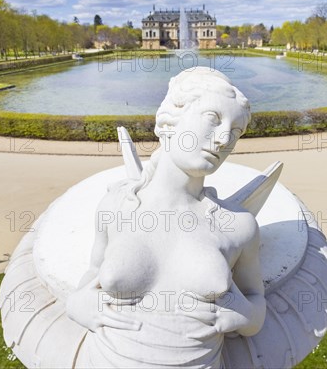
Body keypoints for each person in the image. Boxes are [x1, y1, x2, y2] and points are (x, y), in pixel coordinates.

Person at [66, 68, 266, 368]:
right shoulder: (116, 205)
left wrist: (245, 315)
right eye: (213, 118)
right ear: (170, 119)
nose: (225, 138)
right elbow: (92, 272)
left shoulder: (238, 225)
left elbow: (256, 300)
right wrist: (77, 302)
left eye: (236, 132)